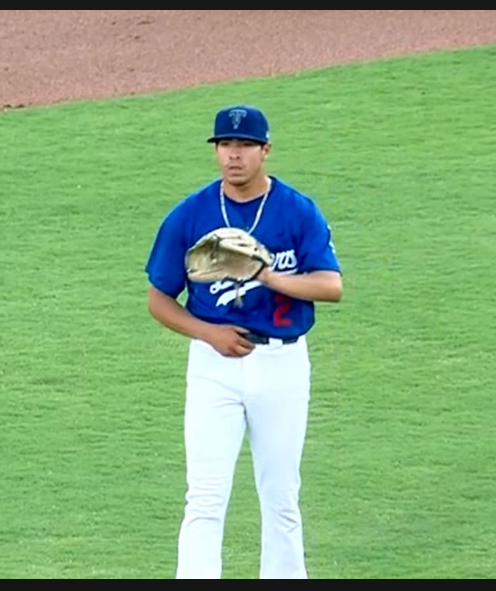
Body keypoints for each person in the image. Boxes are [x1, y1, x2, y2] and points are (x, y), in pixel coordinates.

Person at [144, 104, 343, 579]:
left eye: (245, 145)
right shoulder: (190, 214)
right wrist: (208, 333)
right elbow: (158, 298)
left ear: (265, 150)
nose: (234, 155)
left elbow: (330, 286)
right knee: (204, 497)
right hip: (213, 368)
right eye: (225, 145)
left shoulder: (296, 210)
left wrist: (267, 276)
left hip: (282, 364)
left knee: (281, 496)